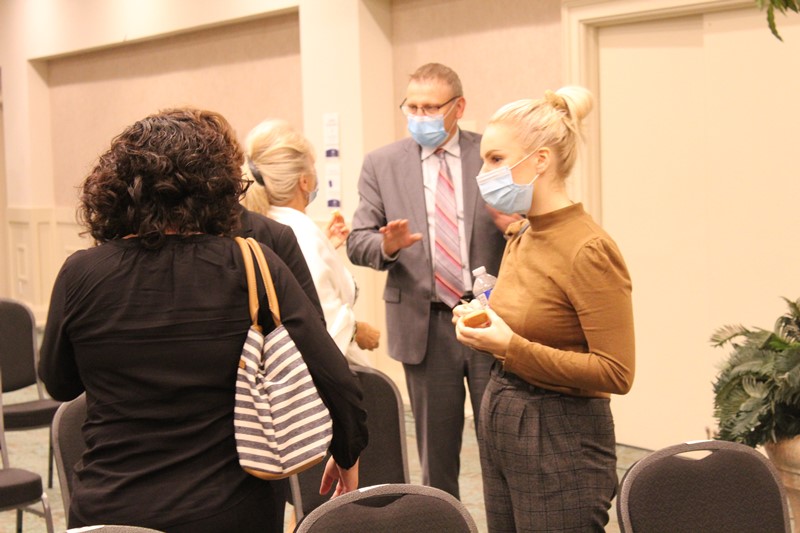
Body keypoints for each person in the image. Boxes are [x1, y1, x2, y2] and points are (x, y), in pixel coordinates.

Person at [38, 108, 368, 533]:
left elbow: (60, 384)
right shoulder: (253, 264)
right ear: (218, 189)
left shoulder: (81, 273)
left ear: (117, 189)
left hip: (113, 508)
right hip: (233, 509)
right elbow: (335, 377)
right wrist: (347, 450)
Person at [453, 86, 635, 532]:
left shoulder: (588, 248)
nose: (483, 173)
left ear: (540, 161)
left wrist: (510, 347)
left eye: (496, 159)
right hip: (505, 416)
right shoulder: (524, 233)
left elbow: (616, 372)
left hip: (559, 433)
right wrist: (484, 323)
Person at [346, 62, 510, 499]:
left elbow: (523, 222)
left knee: (500, 447)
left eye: (431, 108)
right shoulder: (382, 164)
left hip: (490, 319)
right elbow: (358, 242)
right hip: (426, 325)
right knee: (436, 459)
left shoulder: (491, 154)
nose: (420, 117)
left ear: (459, 107)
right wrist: (388, 246)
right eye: (412, 107)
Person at [241, 118, 380, 366]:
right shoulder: (301, 233)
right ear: (304, 182)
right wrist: (358, 330)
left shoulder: (257, 223)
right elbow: (321, 317)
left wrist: (325, 246)